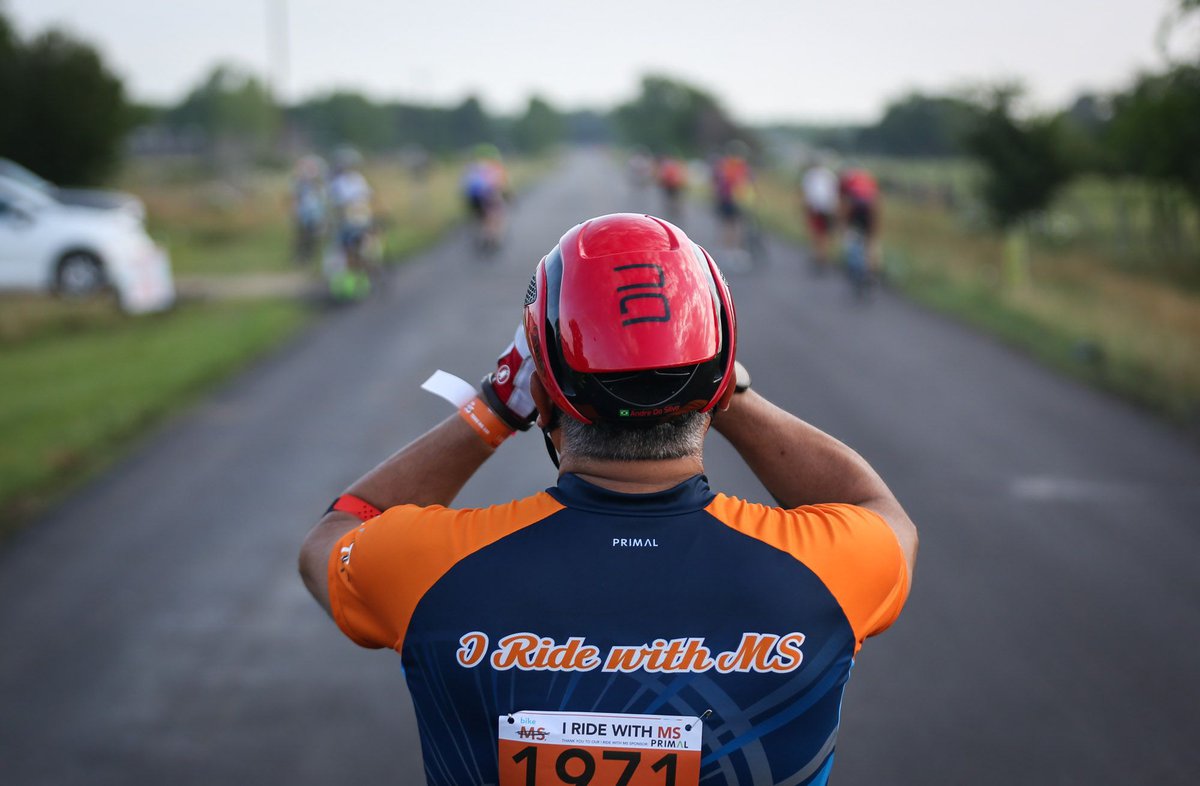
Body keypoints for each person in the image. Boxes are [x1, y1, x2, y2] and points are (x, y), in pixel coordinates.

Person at [299, 213, 917, 786]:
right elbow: (876, 508)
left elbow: (335, 533)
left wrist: (492, 407)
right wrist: (730, 390)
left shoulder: (428, 567)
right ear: (719, 387)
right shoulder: (831, 567)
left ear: (542, 400)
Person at [327, 146, 377, 297]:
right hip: (349, 223)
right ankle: (355, 282)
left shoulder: (356, 179)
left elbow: (368, 197)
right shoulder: (339, 182)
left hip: (359, 221)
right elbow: (338, 204)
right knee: (350, 253)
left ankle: (361, 280)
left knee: (360, 252)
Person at [462, 144, 510, 252]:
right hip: (490, 196)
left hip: (474, 198)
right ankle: (492, 239)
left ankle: (483, 237)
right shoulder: (496, 167)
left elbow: (465, 185)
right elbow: (500, 185)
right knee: (495, 218)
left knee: (481, 220)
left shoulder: (473, 167)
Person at [711, 140, 755, 258]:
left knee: (728, 225)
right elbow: (750, 182)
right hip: (738, 200)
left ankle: (727, 250)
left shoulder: (723, 165)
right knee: (736, 225)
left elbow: (717, 182)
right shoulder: (743, 166)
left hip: (726, 199)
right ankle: (734, 250)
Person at [838, 166, 882, 283]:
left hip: (855, 209)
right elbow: (876, 201)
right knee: (870, 240)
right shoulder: (869, 179)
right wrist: (875, 224)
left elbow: (845, 203)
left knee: (852, 235)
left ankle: (853, 265)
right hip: (869, 209)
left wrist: (843, 223)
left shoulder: (847, 181)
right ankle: (872, 270)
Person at [800, 158, 839, 273]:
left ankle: (818, 256)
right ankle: (823, 257)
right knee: (825, 234)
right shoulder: (830, 175)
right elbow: (834, 193)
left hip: (816, 208)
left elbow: (806, 194)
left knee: (816, 233)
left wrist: (804, 210)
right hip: (829, 208)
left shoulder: (809, 175)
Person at [290, 154, 327, 266]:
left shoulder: (319, 184)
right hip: (303, 213)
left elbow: (322, 198)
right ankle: (301, 257)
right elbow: (295, 197)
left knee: (313, 237)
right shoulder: (300, 183)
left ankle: (310, 258)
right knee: (302, 236)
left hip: (315, 213)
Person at [655, 154, 688, 224]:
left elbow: (662, 176)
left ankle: (673, 213)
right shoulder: (676, 164)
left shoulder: (665, 165)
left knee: (670, 201)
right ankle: (677, 212)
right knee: (676, 200)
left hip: (669, 185)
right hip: (677, 185)